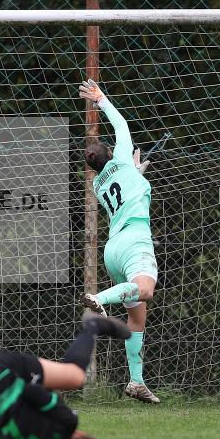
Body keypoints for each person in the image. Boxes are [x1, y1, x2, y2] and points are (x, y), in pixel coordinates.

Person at [79, 79, 160, 404]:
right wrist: (100, 98)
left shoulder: (99, 184)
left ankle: (136, 382)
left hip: (113, 250)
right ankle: (99, 298)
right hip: (135, 242)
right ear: (112, 152)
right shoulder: (122, 158)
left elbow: (124, 186)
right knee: (146, 290)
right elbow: (122, 123)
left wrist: (136, 173)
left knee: (137, 317)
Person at [0, 314, 131, 439]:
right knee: (67, 379)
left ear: (79, 437)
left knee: (75, 376)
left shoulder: (68, 423)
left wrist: (52, 397)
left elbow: (29, 390)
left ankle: (93, 326)